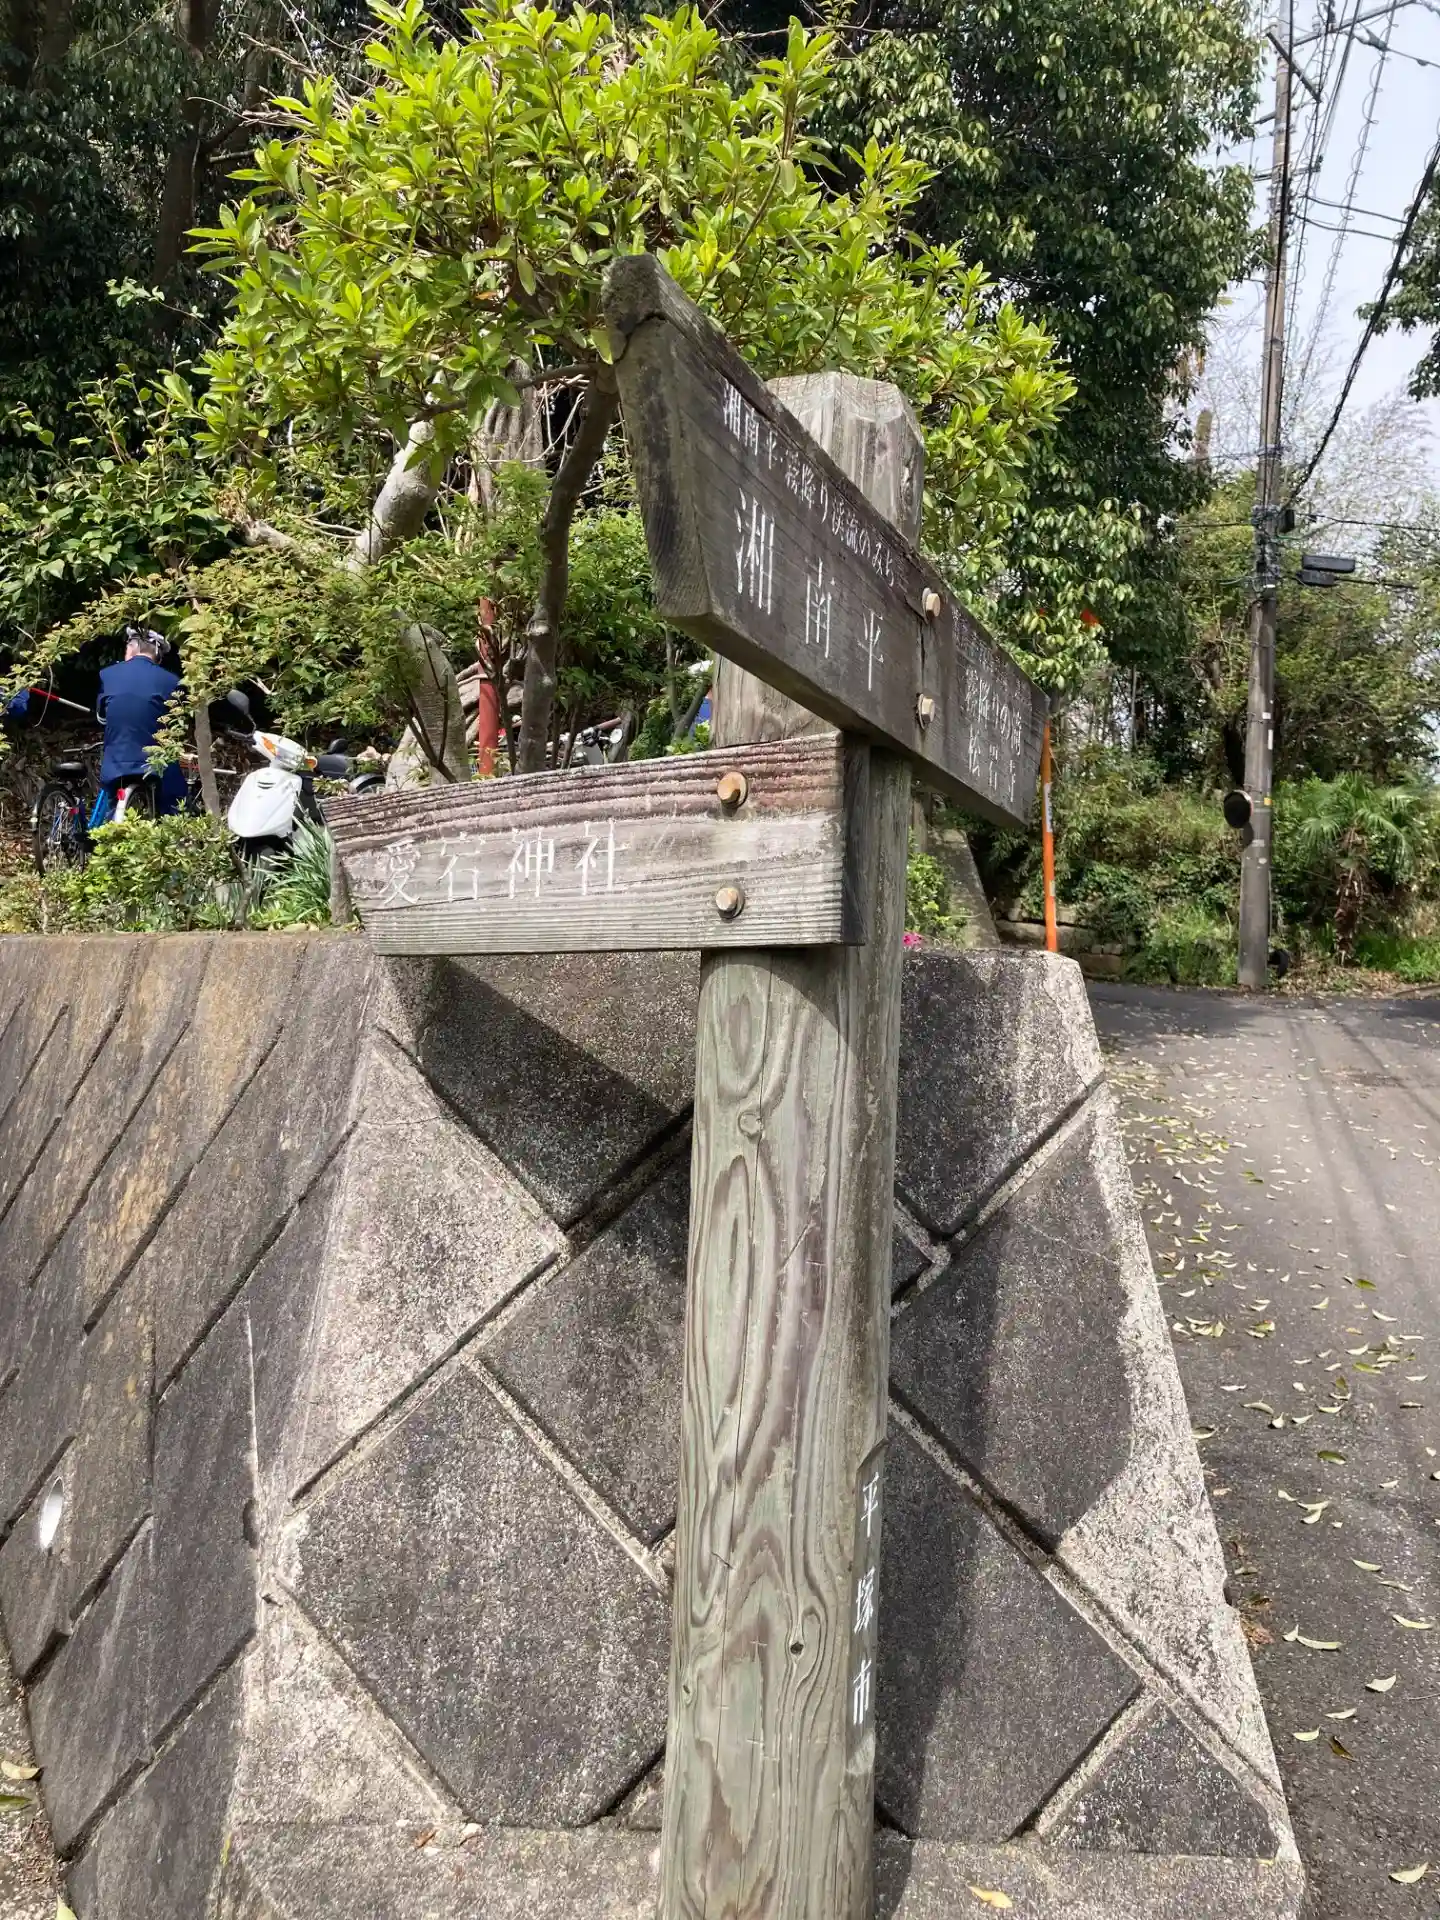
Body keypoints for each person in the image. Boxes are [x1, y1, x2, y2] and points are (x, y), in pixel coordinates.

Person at [95, 627, 189, 816]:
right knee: (176, 801)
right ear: (157, 655)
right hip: (156, 764)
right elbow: (176, 726)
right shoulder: (172, 681)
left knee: (113, 806)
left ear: (132, 647)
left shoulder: (108, 674)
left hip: (117, 762)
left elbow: (101, 718)